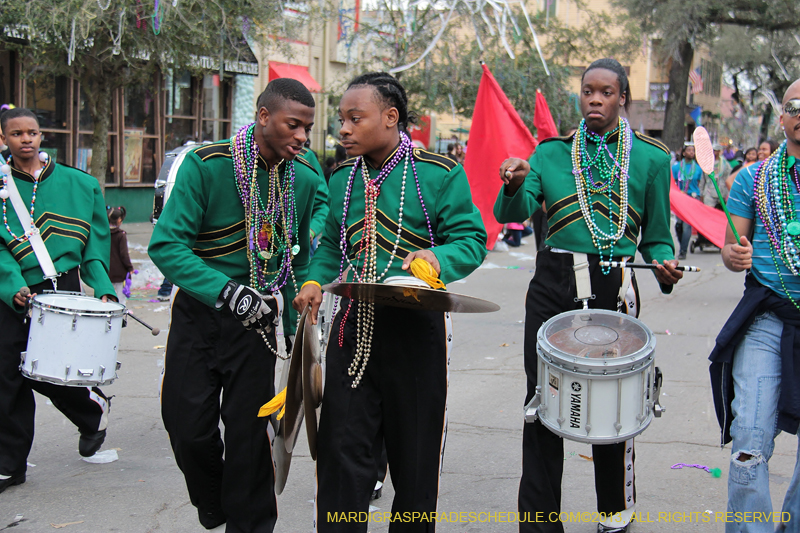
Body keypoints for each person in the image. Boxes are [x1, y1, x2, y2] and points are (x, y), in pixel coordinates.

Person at [292, 71, 487, 532]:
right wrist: (315, 282)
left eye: (354, 119)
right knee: (341, 457)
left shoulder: (439, 174)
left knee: (415, 462)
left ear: (390, 117)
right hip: (351, 334)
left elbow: (471, 239)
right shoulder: (340, 178)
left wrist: (438, 258)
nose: (343, 129)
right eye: (341, 119)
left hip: (416, 332)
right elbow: (332, 250)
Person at [495, 58, 683, 533]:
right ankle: (539, 522)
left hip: (615, 285)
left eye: (605, 92)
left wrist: (664, 263)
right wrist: (514, 181)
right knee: (542, 400)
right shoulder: (549, 154)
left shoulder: (652, 159)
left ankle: (613, 511)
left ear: (623, 99)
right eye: (587, 91)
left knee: (615, 402)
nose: (594, 100)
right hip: (553, 283)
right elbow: (513, 209)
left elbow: (658, 235)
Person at [148, 78, 320, 532]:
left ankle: (251, 524)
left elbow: (297, 257)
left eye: (308, 128)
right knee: (187, 428)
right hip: (201, 313)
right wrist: (227, 292)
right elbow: (167, 247)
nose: (302, 137)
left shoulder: (301, 178)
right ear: (263, 116)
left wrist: (300, 300)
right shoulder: (206, 165)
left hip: (260, 324)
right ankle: (215, 503)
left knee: (251, 440)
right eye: (293, 125)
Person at [0, 107, 115, 494]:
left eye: (31, 132)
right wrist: (9, 283)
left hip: (61, 288)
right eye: (16, 134)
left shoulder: (80, 184)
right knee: (8, 376)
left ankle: (90, 411)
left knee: (53, 372)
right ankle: (10, 464)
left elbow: (96, 245)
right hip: (13, 293)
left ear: (41, 134)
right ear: (4, 139)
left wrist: (102, 287)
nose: (25, 139)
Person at [709, 79, 800, 533]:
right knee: (749, 440)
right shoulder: (752, 178)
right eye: (794, 106)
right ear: (781, 117)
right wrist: (732, 254)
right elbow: (731, 246)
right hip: (768, 317)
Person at [672, 142, 704, 260]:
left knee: (687, 226)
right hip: (679, 198)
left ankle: (683, 251)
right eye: (689, 150)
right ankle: (682, 244)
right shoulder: (676, 167)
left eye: (693, 151)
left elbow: (699, 184)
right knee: (678, 225)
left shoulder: (698, 169)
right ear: (684, 153)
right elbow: (673, 183)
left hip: (692, 198)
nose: (691, 153)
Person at [107, 206, 134, 305]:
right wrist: (130, 268)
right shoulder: (121, 235)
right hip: (119, 272)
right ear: (119, 220)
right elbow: (124, 254)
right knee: (120, 298)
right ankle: (120, 318)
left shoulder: (104, 234)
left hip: (107, 270)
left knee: (108, 295)